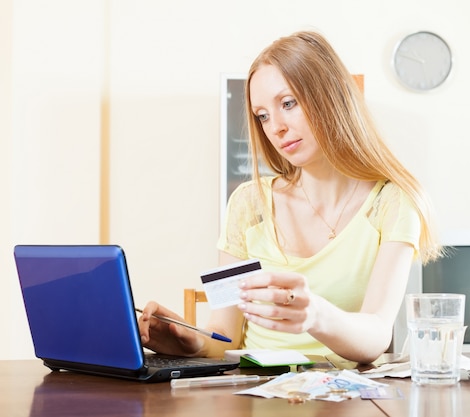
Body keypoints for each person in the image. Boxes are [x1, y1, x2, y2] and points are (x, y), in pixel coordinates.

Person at [138, 30, 442, 364]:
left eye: (288, 103)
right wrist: (187, 339)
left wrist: (315, 315)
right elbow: (224, 336)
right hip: (251, 394)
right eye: (263, 116)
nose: (276, 127)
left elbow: (376, 335)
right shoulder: (247, 205)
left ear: (332, 97)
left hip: (344, 399)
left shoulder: (393, 202)